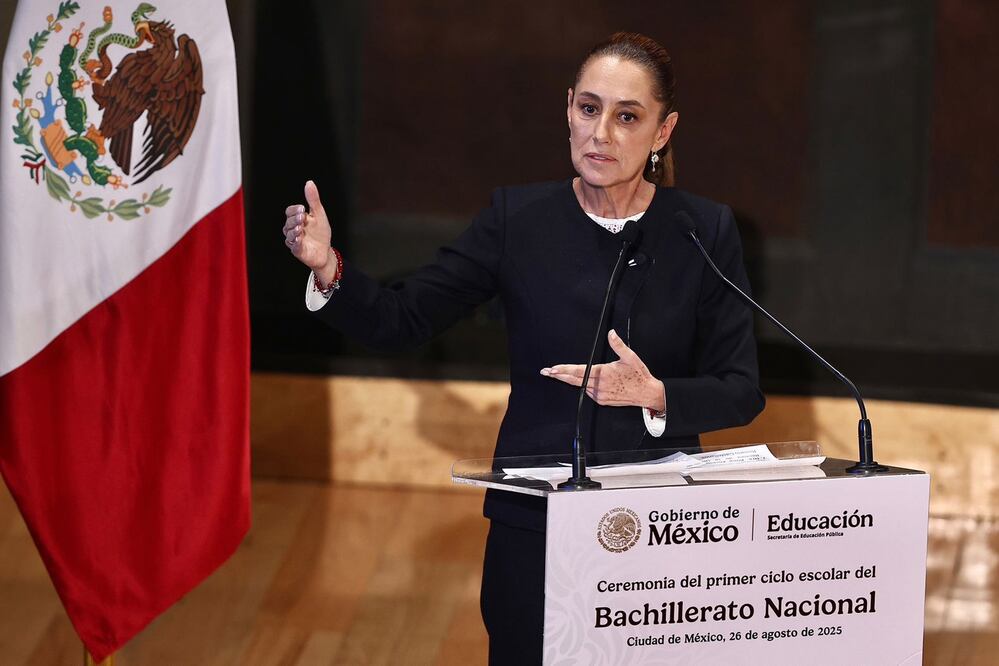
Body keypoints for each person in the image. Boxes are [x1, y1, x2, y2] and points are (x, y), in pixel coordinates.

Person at [281, 31, 764, 665]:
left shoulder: (702, 231)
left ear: (663, 130)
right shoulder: (518, 220)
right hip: (534, 527)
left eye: (627, 117)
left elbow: (740, 387)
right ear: (568, 107)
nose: (601, 134)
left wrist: (655, 395)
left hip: (658, 534)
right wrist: (328, 269)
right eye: (589, 109)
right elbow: (403, 319)